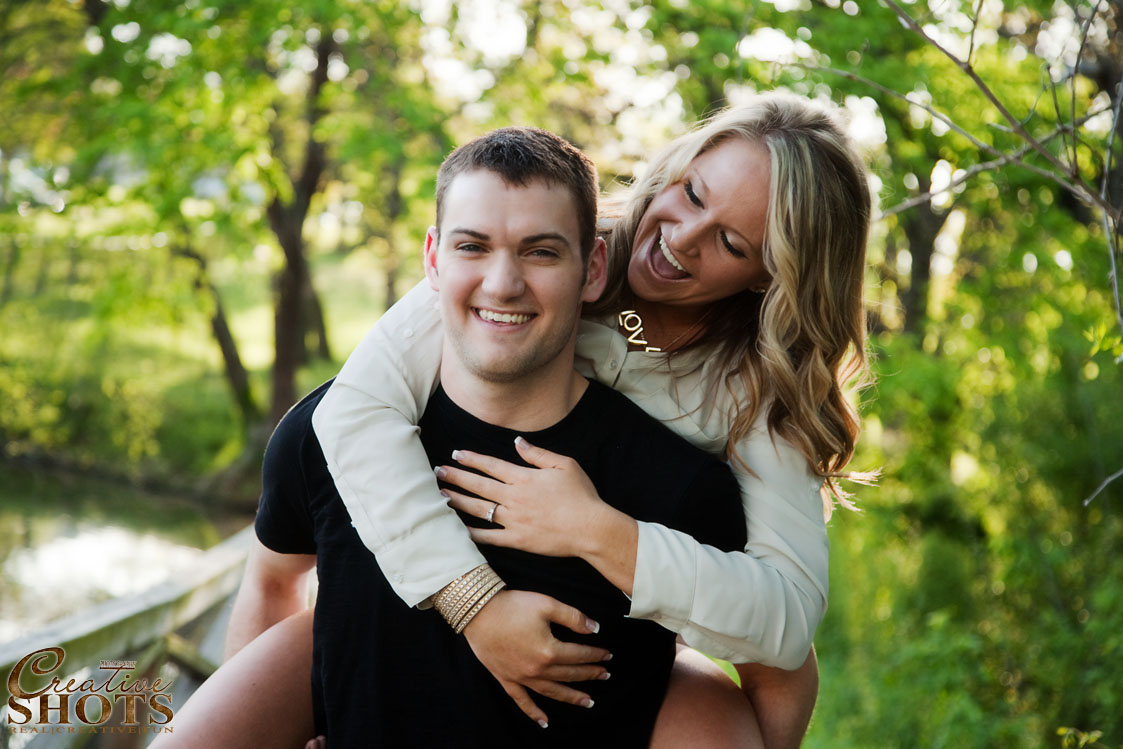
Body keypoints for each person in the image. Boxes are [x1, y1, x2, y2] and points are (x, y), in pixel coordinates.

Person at [161, 127, 755, 747]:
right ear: (433, 259)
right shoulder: (330, 434)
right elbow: (271, 583)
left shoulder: (683, 489)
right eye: (473, 246)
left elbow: (756, 666)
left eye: (542, 252)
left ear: (594, 269)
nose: (503, 284)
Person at [312, 91, 871, 745]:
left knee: (759, 694)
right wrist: (472, 600)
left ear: (770, 274)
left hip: (609, 625)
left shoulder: (754, 388)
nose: (680, 240)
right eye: (691, 194)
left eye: (729, 241)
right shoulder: (540, 249)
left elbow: (785, 617)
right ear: (674, 167)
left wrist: (596, 531)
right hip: (421, 578)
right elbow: (356, 410)